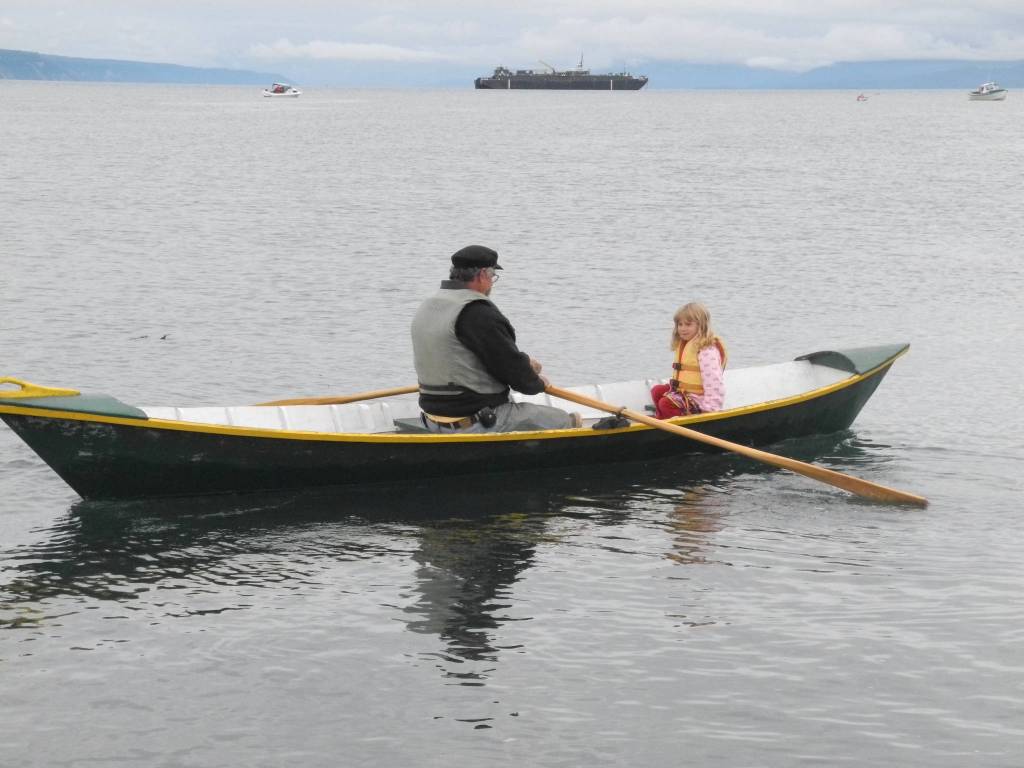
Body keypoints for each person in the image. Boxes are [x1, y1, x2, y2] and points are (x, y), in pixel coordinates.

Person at [407, 245, 579, 433]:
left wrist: (526, 365)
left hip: (431, 419)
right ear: (482, 275)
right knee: (562, 420)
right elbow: (516, 375)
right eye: (492, 277)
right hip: (472, 422)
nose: (491, 284)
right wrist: (537, 382)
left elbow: (464, 357)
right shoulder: (477, 313)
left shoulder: (429, 305)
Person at [650, 302, 727, 419]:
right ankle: (662, 420)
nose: (682, 328)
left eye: (688, 324)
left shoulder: (706, 351)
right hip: (683, 393)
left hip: (698, 401)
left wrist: (710, 410)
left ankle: (677, 425)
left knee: (665, 403)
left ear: (701, 325)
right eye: (680, 324)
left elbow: (714, 383)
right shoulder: (685, 343)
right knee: (657, 391)